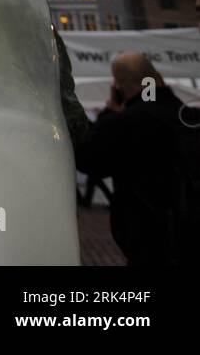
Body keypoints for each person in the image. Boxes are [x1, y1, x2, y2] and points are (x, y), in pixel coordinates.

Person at [75, 52, 197, 264]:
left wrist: (110, 113)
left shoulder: (123, 124)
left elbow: (87, 159)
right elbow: (153, 102)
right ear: (159, 78)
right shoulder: (191, 118)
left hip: (150, 243)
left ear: (118, 87)